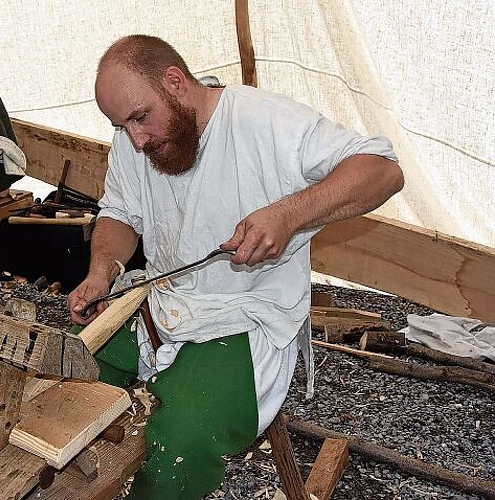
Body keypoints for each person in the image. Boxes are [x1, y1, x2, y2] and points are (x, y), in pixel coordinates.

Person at [67, 35, 404, 499]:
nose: (136, 139)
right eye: (121, 125)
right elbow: (121, 213)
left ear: (175, 82)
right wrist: (101, 271)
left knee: (180, 438)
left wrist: (288, 214)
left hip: (249, 315)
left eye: (141, 118)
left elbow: (383, 169)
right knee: (69, 378)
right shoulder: (134, 140)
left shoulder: (264, 121)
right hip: (160, 300)